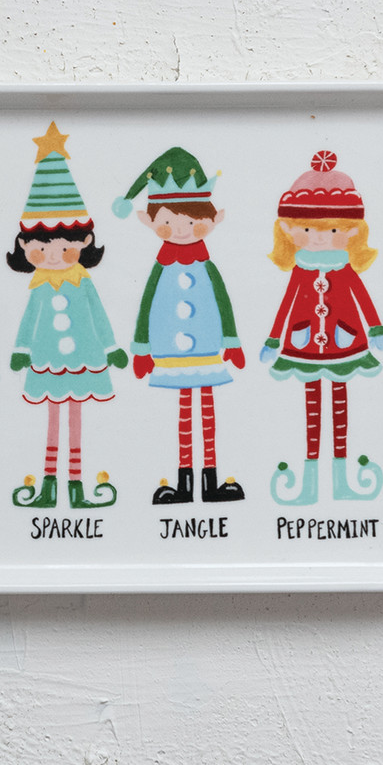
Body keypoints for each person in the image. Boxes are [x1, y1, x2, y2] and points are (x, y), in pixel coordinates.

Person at [112, 146, 245, 505]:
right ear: (150, 221)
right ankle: (185, 483)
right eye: (169, 223)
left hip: (207, 348)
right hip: (171, 351)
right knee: (185, 412)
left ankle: (210, 481)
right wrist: (142, 350)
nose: (181, 231)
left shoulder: (207, 266)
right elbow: (145, 308)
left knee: (207, 411)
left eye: (191, 222)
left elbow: (223, 303)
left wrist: (232, 341)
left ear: (213, 219)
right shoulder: (162, 268)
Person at [6, 122, 126, 510]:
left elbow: (99, 316)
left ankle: (75, 485)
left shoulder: (82, 283)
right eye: (41, 249)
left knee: (75, 418)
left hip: (83, 359)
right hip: (47, 360)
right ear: (25, 246)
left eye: (64, 247)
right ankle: (48, 485)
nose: (54, 256)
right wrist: (22, 350)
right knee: (53, 419)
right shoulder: (39, 286)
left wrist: (111, 348)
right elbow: (29, 320)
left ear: (84, 241)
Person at [263, 150, 383, 505]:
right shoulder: (300, 269)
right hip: (303, 344)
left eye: (332, 230)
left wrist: (376, 329)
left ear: (351, 233)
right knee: (312, 406)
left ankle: (342, 479)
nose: (319, 238)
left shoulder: (344, 268)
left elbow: (363, 299)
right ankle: (310, 483)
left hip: (344, 343)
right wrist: (273, 339)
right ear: (289, 231)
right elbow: (287, 304)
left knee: (340, 404)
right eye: (307, 230)